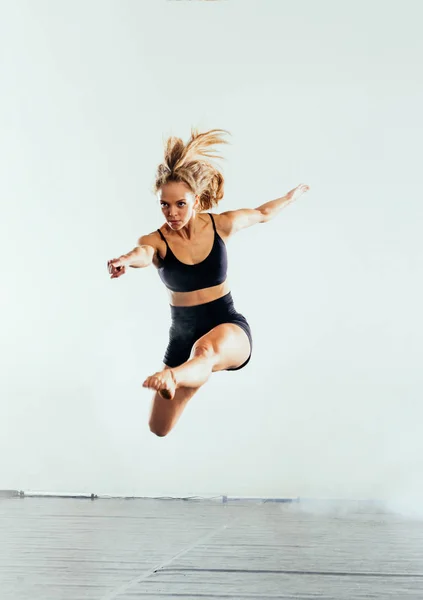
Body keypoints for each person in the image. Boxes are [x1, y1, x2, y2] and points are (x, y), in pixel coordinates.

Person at [108, 129, 309, 436]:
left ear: (196, 200)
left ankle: (179, 377)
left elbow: (262, 213)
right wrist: (125, 259)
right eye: (164, 204)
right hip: (182, 333)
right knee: (158, 427)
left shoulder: (220, 225)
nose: (171, 213)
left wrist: (290, 197)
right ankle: (187, 376)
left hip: (226, 324)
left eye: (180, 204)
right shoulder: (156, 240)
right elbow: (143, 254)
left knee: (205, 352)